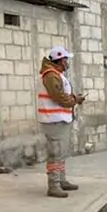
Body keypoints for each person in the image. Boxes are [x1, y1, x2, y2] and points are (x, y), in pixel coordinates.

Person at [38, 46, 85, 199]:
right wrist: (75, 100)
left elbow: (61, 94)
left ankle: (61, 180)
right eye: (66, 59)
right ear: (60, 60)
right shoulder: (51, 75)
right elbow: (58, 96)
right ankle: (54, 185)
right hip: (53, 120)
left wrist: (73, 98)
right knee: (55, 153)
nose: (67, 62)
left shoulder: (56, 74)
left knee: (61, 152)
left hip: (60, 119)